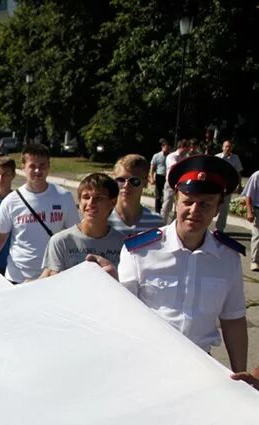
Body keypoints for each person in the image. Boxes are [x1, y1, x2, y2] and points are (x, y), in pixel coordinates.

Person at [95, 155, 247, 369]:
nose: (195, 211)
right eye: (188, 202)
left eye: (205, 204)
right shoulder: (141, 251)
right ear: (176, 200)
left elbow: (233, 320)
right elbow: (122, 314)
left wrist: (240, 374)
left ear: (217, 208)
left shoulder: (227, 258)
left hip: (201, 366)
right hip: (146, 362)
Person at [0, 143, 80, 283]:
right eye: (32, 166)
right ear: (23, 167)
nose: (38, 170)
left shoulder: (64, 197)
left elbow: (74, 236)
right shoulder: (10, 201)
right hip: (17, 278)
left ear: (49, 167)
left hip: (53, 276)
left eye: (42, 165)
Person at [41, 173, 125, 277]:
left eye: (99, 198)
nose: (91, 203)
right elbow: (53, 283)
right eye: (86, 197)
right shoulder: (61, 241)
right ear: (79, 202)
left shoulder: (123, 244)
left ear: (112, 203)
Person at [108, 154, 163, 236]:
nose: (126, 185)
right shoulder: (102, 219)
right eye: (120, 180)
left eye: (134, 181)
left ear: (145, 182)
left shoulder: (157, 223)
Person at [214, 140, 244, 232]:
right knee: (212, 207)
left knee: (224, 209)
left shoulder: (235, 158)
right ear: (222, 147)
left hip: (228, 187)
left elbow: (238, 172)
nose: (228, 148)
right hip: (216, 187)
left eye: (229, 147)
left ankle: (219, 230)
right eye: (226, 146)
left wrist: (239, 185)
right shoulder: (217, 157)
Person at [161, 139, 191, 223]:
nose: (189, 150)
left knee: (179, 206)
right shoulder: (171, 156)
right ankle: (162, 224)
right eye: (188, 148)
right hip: (171, 184)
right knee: (167, 205)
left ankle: (174, 224)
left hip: (182, 184)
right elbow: (175, 167)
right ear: (182, 147)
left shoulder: (186, 157)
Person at [243, 169, 259, 271]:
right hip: (258, 209)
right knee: (258, 235)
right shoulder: (256, 175)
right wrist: (249, 212)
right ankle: (255, 261)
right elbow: (248, 195)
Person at [149, 139, 170, 213]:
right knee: (158, 195)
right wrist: (151, 178)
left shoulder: (170, 156)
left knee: (166, 195)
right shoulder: (156, 156)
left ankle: (164, 210)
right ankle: (157, 211)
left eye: (168, 148)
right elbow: (152, 168)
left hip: (167, 177)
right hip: (159, 176)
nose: (167, 149)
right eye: (166, 148)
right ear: (162, 147)